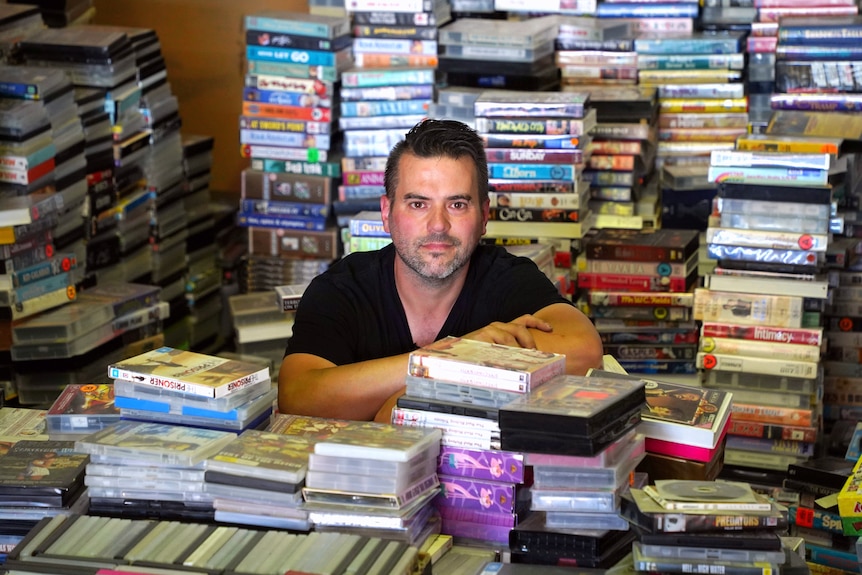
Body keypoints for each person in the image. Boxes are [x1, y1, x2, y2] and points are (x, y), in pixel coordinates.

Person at [278, 119, 604, 421]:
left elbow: (582, 350)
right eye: (418, 204)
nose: (438, 225)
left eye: (457, 204)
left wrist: (405, 395)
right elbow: (297, 396)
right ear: (387, 212)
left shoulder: (506, 276)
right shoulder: (340, 290)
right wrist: (449, 358)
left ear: (484, 215)